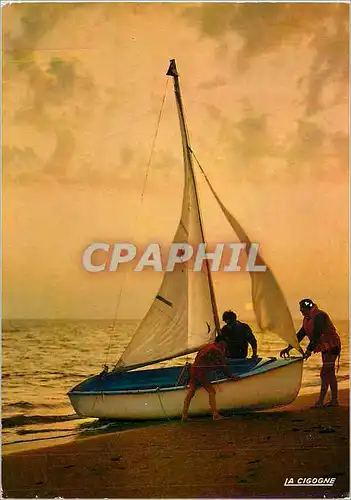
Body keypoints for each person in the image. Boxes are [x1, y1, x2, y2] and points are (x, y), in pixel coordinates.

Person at [280, 299, 341, 408]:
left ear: (307, 308)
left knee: (326, 373)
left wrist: (308, 351)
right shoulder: (307, 318)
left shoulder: (319, 316)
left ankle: (325, 401)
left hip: (332, 346)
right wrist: (289, 347)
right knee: (328, 372)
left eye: (302, 309)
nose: (301, 312)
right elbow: (301, 334)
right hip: (325, 347)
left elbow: (317, 335)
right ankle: (330, 400)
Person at [181, 335, 238, 422]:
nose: (225, 346)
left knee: (191, 391)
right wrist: (231, 377)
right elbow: (223, 366)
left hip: (194, 370)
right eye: (224, 344)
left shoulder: (208, 346)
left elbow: (203, 359)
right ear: (220, 342)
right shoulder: (216, 350)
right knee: (211, 391)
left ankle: (184, 415)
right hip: (201, 373)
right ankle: (215, 414)